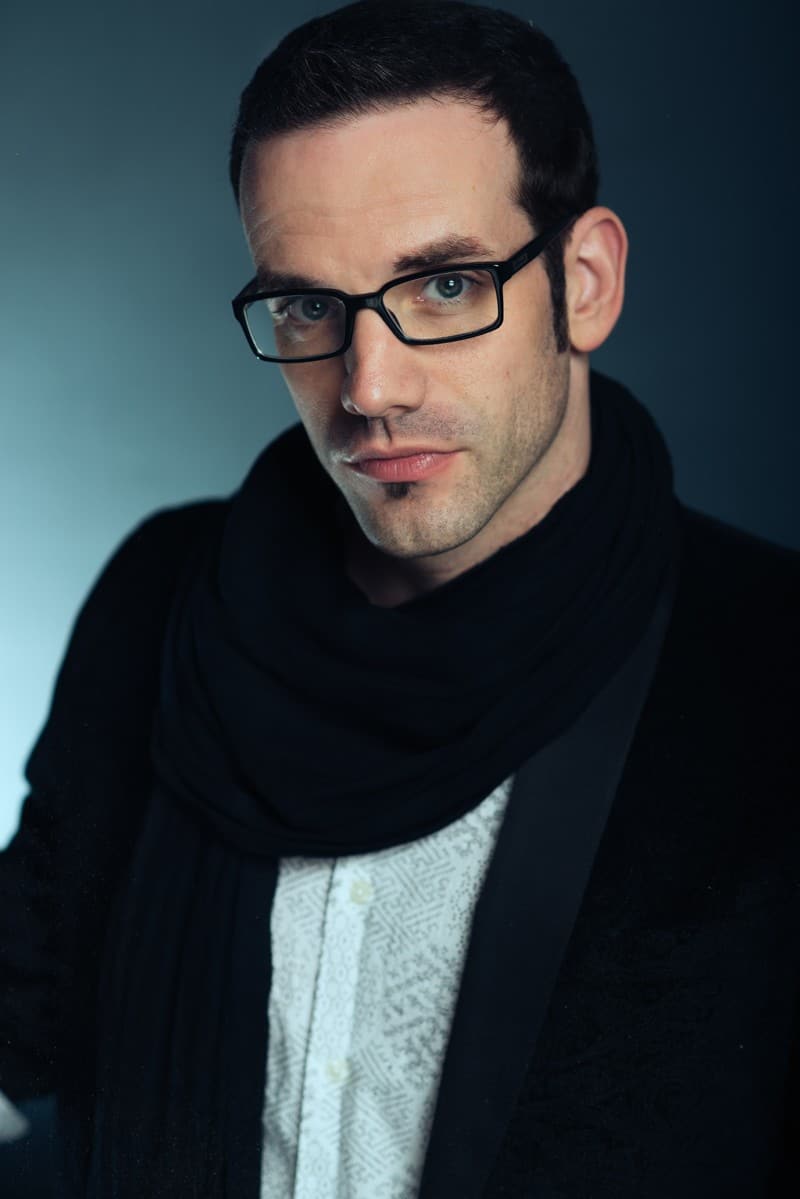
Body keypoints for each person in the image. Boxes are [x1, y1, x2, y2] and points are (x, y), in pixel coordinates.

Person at [1, 0, 797, 1195]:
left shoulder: (769, 662)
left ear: (582, 283)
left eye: (443, 286)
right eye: (309, 306)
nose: (369, 387)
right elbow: (24, 998)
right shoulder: (163, 596)